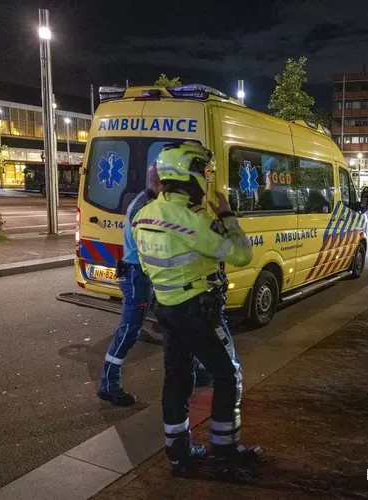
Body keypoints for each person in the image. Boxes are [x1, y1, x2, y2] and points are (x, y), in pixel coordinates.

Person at [132, 141, 260, 478]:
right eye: (203, 171)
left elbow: (147, 266)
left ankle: (179, 455)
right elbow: (241, 255)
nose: (205, 178)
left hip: (167, 310)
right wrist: (228, 215)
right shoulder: (192, 218)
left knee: (177, 380)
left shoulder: (143, 215)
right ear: (188, 174)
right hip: (197, 310)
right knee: (227, 375)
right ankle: (224, 455)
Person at [96, 164, 160, 406]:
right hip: (137, 275)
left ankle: (198, 369)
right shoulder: (146, 206)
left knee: (173, 323)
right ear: (159, 182)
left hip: (139, 273)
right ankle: (108, 384)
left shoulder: (144, 200)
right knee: (130, 330)